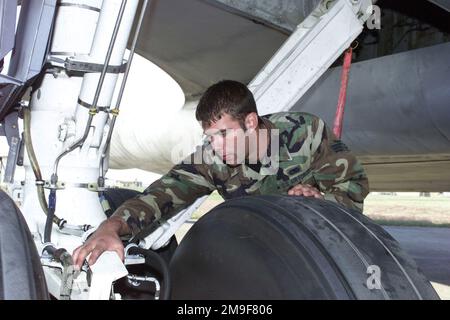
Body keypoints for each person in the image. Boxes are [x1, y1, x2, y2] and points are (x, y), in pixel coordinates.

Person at [73, 80, 369, 269]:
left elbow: (354, 189)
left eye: (224, 134)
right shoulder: (213, 158)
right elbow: (162, 193)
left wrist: (323, 200)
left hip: (318, 249)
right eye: (210, 136)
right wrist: (112, 227)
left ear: (251, 122)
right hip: (261, 252)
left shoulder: (306, 134)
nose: (217, 146)